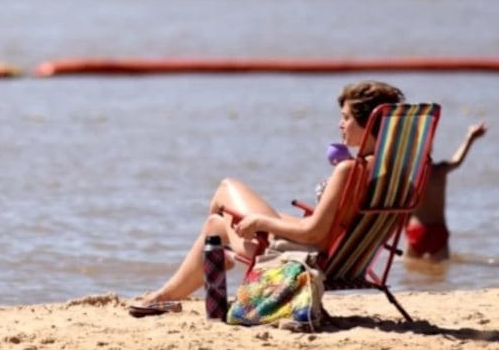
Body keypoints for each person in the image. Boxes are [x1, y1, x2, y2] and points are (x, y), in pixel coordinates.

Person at [128, 80, 406, 316]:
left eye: (346, 118)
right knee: (218, 222)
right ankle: (187, 279)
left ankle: (200, 271)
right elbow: (337, 226)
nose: (340, 124)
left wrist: (261, 221)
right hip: (344, 259)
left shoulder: (350, 170)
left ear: (368, 123)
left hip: (305, 259)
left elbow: (314, 233)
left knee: (224, 195)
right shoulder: (395, 170)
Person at [404, 121, 488, 261]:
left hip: (416, 228)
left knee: (411, 269)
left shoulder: (410, 175)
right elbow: (457, 161)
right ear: (431, 148)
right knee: (441, 270)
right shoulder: (440, 170)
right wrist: (470, 138)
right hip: (438, 230)